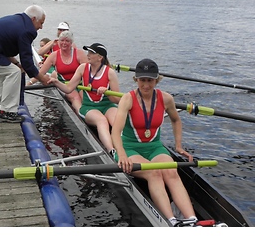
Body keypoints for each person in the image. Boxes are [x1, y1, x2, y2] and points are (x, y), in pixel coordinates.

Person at [110, 58, 197, 226]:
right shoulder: (127, 99)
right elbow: (115, 130)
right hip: (130, 148)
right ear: (136, 80)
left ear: (157, 80)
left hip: (155, 147)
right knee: (154, 174)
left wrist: (178, 146)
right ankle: (171, 221)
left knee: (171, 172)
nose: (146, 85)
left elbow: (176, 120)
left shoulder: (166, 99)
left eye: (150, 80)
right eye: (142, 80)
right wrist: (121, 154)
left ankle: (192, 220)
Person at [0, 5, 51, 123]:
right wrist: (43, 79)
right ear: (33, 19)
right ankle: (6, 111)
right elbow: (27, 62)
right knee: (14, 72)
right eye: (41, 23)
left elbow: (4, 48)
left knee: (8, 70)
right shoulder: (27, 30)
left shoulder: (18, 20)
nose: (41, 27)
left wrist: (16, 62)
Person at [49, 42, 120, 153]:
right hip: (89, 107)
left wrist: (108, 93)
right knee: (102, 121)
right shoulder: (82, 68)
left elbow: (117, 100)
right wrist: (56, 82)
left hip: (108, 105)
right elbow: (68, 88)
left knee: (118, 122)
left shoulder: (110, 73)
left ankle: (123, 149)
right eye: (88, 52)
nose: (88, 55)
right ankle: (112, 151)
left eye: (92, 53)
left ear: (100, 57)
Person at [30, 31, 88, 113]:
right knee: (75, 97)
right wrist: (29, 83)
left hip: (80, 84)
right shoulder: (53, 56)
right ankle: (82, 116)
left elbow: (89, 72)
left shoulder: (79, 53)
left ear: (71, 43)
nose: (64, 43)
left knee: (85, 98)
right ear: (58, 42)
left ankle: (91, 115)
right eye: (62, 40)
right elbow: (41, 73)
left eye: (67, 41)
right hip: (64, 85)